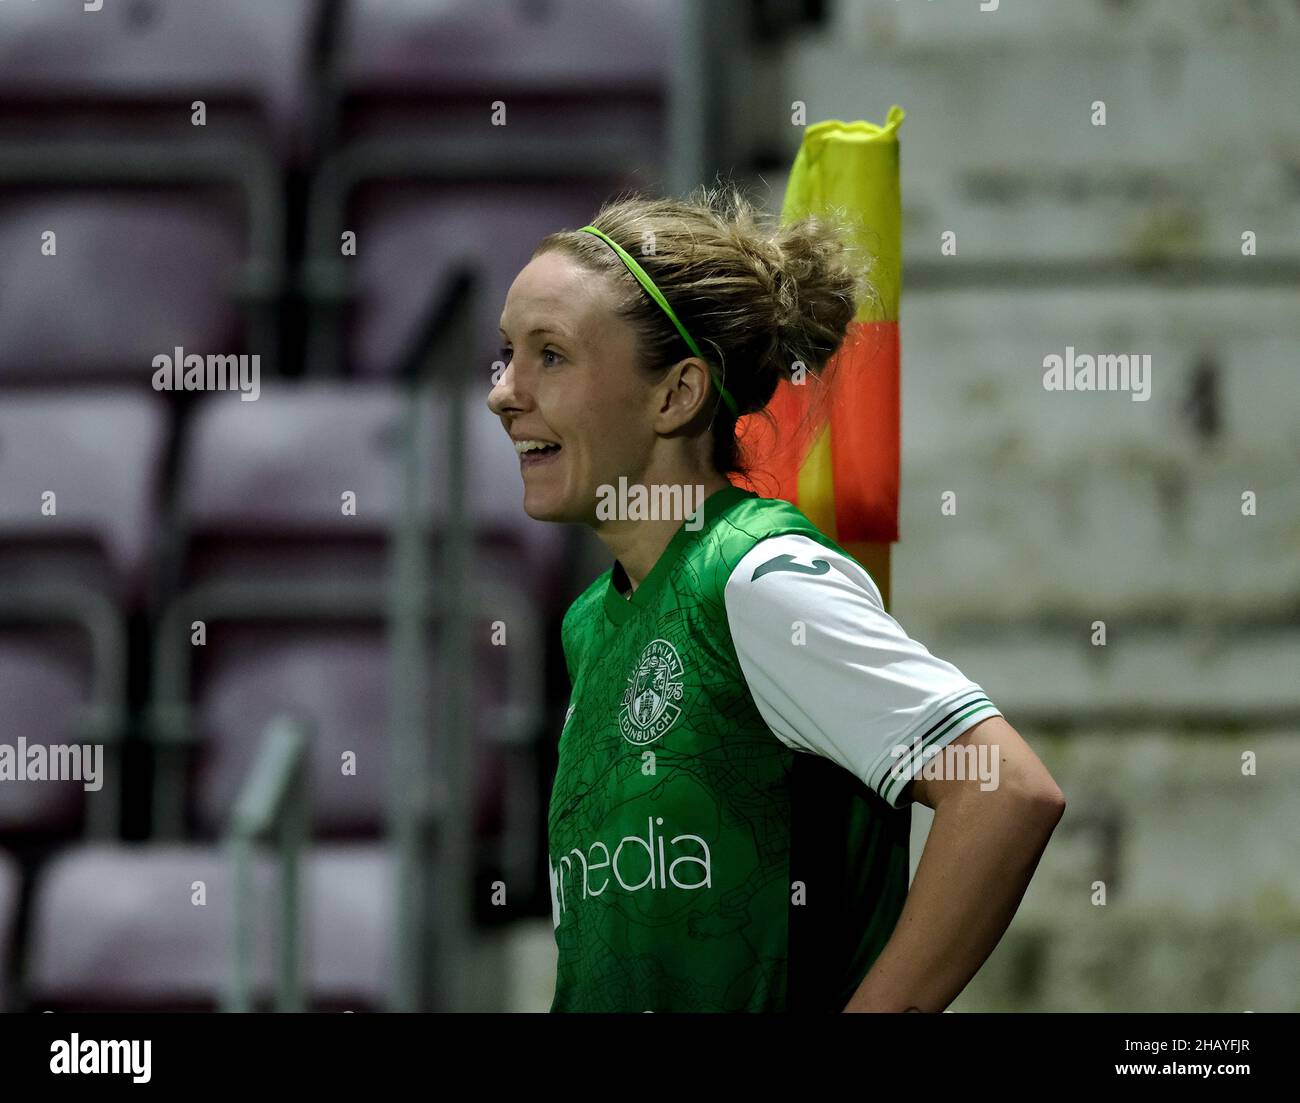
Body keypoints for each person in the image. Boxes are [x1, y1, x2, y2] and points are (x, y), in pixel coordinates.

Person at [488, 184, 1066, 1013]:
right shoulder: (589, 621)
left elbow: (1005, 791)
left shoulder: (758, 579)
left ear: (676, 394)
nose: (504, 391)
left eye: (550, 354)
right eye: (504, 353)